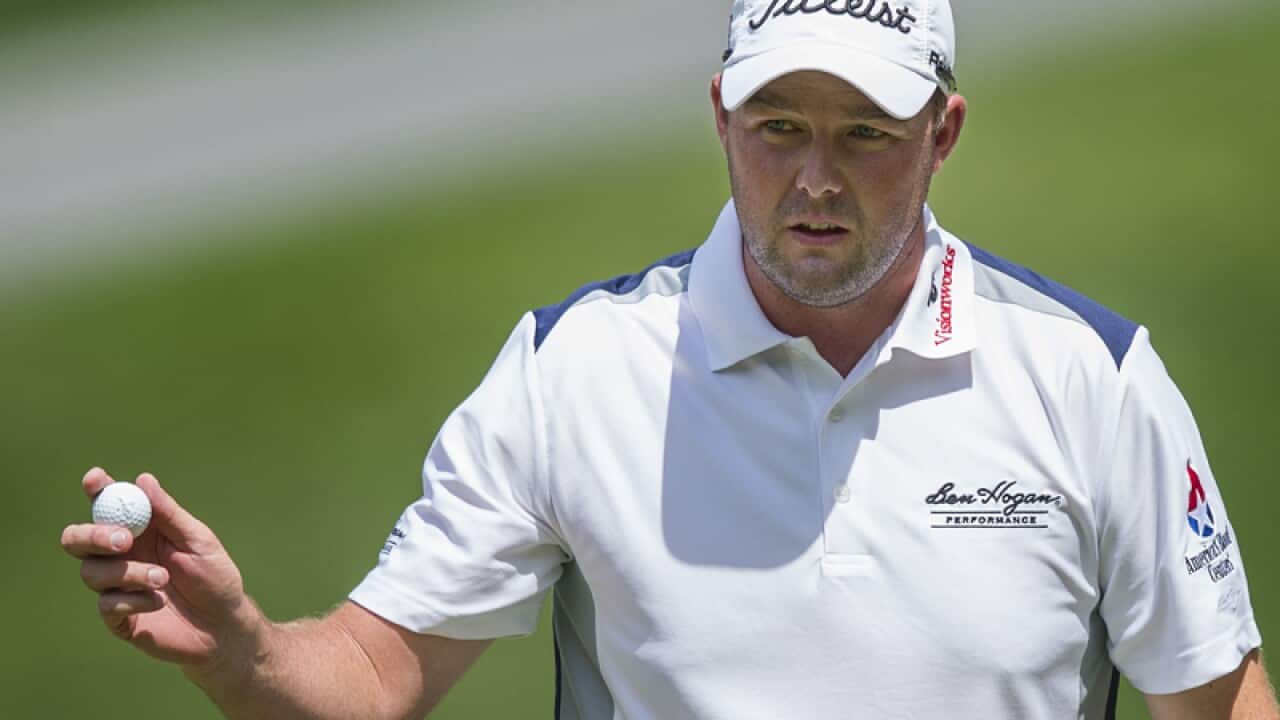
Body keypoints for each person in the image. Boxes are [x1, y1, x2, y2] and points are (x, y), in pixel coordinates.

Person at [60, 0, 1278, 717]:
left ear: (941, 134)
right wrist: (247, 651)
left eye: (863, 136)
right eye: (776, 130)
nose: (812, 179)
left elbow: (1214, 698)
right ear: (718, 118)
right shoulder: (573, 371)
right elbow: (378, 674)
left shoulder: (1087, 378)